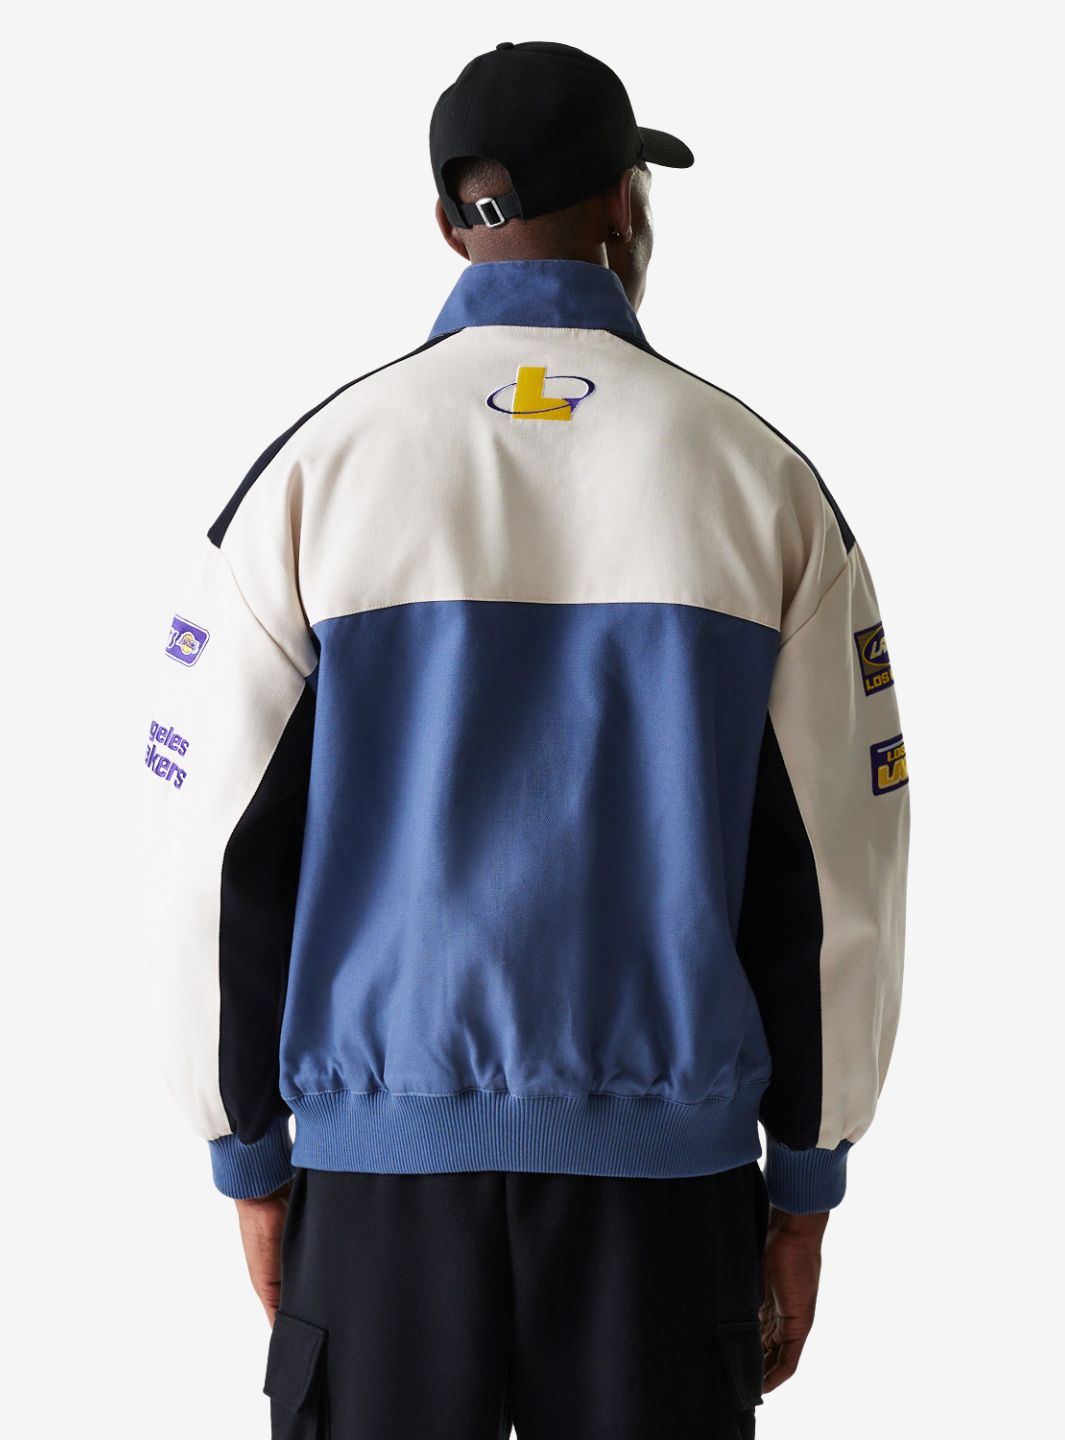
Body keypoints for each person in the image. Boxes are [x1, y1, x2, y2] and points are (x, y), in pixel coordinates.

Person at [139, 39, 909, 1440]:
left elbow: (211, 848)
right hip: (662, 1204)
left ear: (448, 224)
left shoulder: (313, 474)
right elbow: (839, 867)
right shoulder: (761, 484)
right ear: (623, 202)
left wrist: (246, 1152)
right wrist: (805, 1185)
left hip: (378, 1199)